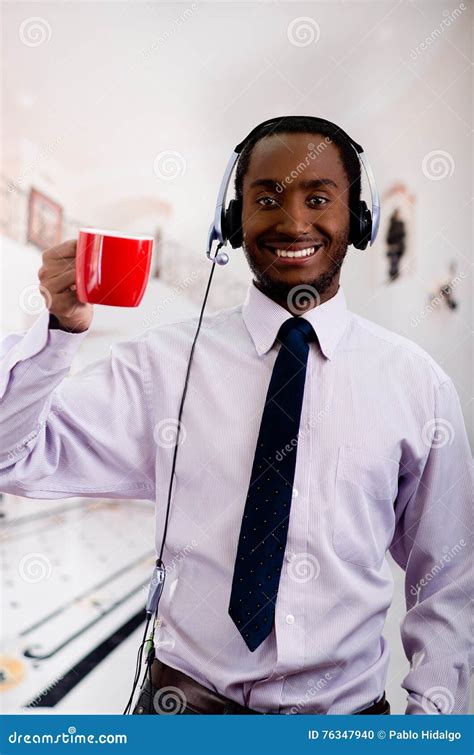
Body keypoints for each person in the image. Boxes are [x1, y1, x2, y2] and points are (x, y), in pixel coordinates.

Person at [1, 117, 472, 716]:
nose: (294, 222)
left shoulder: (417, 385)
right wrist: (57, 333)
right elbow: (11, 455)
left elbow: (452, 574)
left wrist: (432, 720)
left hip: (343, 722)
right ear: (233, 220)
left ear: (358, 219)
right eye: (266, 198)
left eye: (319, 199)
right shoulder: (162, 366)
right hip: (182, 713)